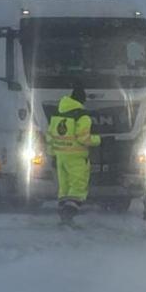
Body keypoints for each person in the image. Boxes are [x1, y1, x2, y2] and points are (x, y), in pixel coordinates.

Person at [46, 85, 102, 225]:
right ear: (82, 100)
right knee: (78, 187)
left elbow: (50, 136)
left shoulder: (57, 114)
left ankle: (63, 216)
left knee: (64, 188)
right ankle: (68, 215)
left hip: (60, 157)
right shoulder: (82, 117)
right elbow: (83, 138)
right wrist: (98, 139)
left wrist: (52, 154)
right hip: (76, 157)